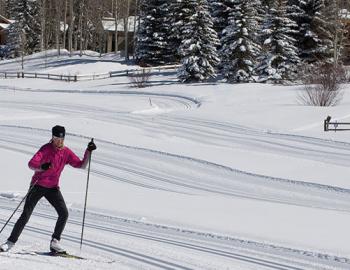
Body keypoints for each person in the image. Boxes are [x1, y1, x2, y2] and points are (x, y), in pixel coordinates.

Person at [0, 125, 96, 253]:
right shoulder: (45, 149)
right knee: (25, 215)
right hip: (38, 185)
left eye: (61, 139)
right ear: (52, 137)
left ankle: (55, 242)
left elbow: (81, 165)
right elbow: (31, 164)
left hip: (53, 188)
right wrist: (41, 167)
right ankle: (10, 242)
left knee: (64, 213)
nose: (59, 141)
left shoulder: (66, 152)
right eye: (56, 138)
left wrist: (88, 151)